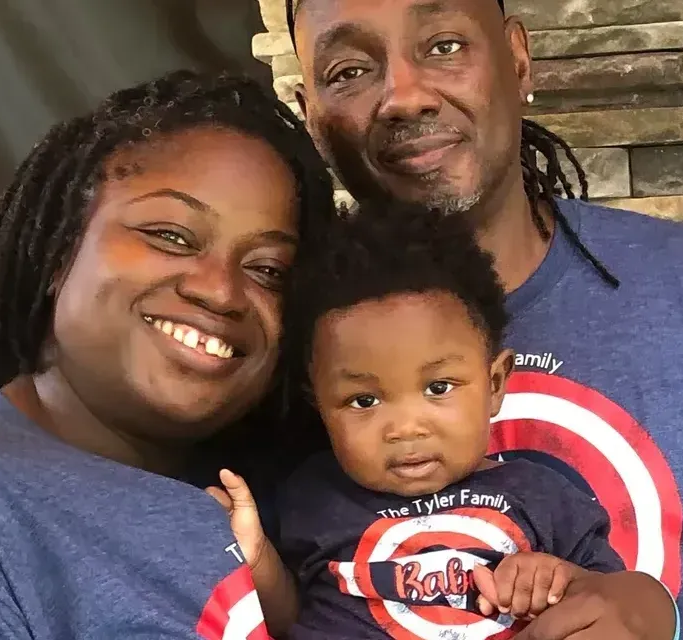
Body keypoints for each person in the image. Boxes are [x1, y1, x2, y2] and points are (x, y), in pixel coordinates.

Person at [0, 0, 683, 637]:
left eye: (440, 43)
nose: (401, 94)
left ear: (514, 55)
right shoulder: (268, 362)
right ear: (313, 112)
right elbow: (68, 462)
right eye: (348, 66)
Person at [0, 70, 341, 639]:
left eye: (268, 270)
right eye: (170, 235)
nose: (221, 290)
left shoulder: (305, 487)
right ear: (58, 251)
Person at [212, 200, 627, 639]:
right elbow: (289, 619)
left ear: (495, 384)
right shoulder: (309, 497)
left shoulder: (546, 498)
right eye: (364, 400)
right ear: (318, 403)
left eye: (439, 388)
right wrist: (257, 556)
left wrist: (555, 578)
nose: (406, 428)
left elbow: (611, 606)